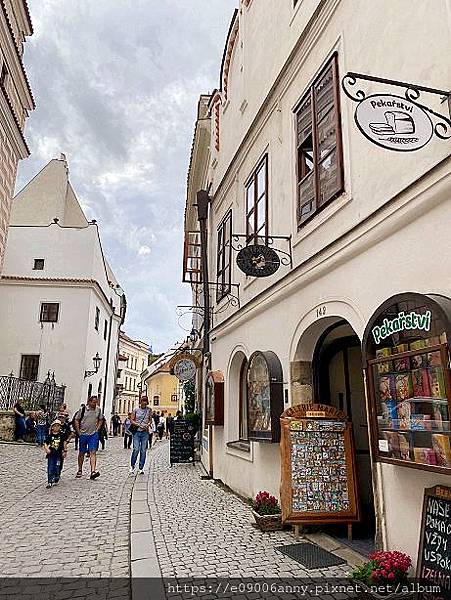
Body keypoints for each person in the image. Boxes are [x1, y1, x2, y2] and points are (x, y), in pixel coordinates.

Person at [73, 396, 102, 480]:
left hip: (93, 434)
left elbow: (101, 419)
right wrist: (78, 431)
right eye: (93, 402)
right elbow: (76, 419)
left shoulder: (98, 410)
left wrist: (98, 428)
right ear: (89, 402)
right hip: (83, 434)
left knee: (93, 452)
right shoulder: (82, 410)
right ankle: (80, 469)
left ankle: (93, 471)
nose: (94, 404)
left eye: (96, 402)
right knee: (82, 452)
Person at [130, 397, 154, 475]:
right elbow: (132, 420)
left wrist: (148, 424)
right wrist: (138, 425)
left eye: (145, 402)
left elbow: (150, 420)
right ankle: (132, 465)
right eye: (143, 401)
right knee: (136, 449)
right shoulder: (136, 410)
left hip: (145, 433)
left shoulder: (149, 410)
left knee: (143, 450)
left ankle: (141, 468)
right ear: (140, 402)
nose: (144, 403)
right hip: (137, 432)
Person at [43, 419, 67, 488]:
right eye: (55, 426)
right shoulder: (50, 436)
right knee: (50, 467)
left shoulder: (61, 435)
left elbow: (64, 443)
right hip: (51, 455)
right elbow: (45, 443)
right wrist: (47, 449)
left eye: (58, 426)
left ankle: (57, 476)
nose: (57, 427)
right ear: (52, 427)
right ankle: (50, 481)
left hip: (59, 455)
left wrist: (65, 451)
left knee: (57, 467)